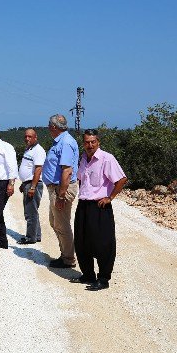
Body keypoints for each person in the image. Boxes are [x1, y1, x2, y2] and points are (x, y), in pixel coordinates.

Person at [70, 129, 128, 291]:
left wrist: (109, 197)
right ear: (83, 143)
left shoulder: (106, 158)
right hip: (83, 204)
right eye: (87, 142)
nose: (90, 145)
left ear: (98, 142)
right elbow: (81, 179)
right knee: (82, 242)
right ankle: (88, 275)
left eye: (93, 142)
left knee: (103, 244)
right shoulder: (83, 159)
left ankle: (103, 279)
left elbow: (121, 179)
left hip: (100, 206)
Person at [42, 114, 79, 268]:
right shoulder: (61, 141)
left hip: (61, 190)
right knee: (55, 223)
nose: (49, 128)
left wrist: (61, 195)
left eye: (49, 126)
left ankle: (68, 259)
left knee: (62, 224)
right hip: (56, 189)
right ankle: (65, 254)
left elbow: (67, 171)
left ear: (54, 127)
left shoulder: (65, 142)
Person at [17, 128, 46, 245]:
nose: (27, 139)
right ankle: (36, 235)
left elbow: (38, 169)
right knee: (33, 211)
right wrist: (23, 184)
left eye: (30, 137)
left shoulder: (38, 150)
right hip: (27, 183)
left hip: (33, 184)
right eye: (26, 136)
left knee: (30, 212)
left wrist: (32, 187)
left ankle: (30, 237)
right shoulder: (29, 149)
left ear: (35, 137)